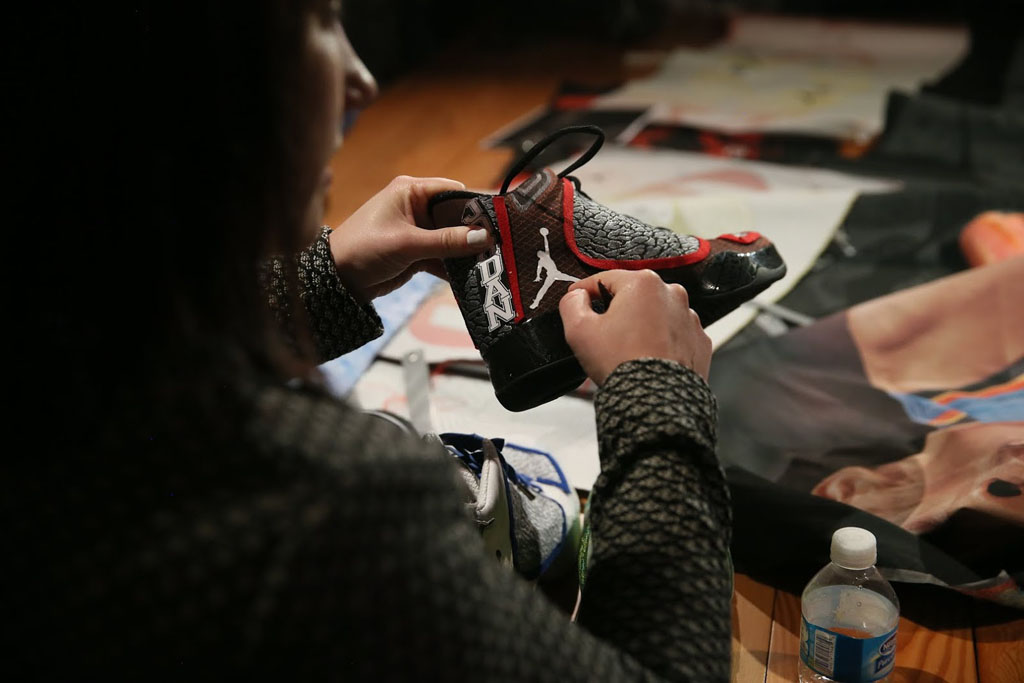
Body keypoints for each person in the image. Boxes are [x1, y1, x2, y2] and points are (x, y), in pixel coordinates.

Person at [16, 1, 732, 679]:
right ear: (196, 87)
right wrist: (658, 400)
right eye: (322, 21)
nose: (361, 78)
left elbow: (130, 354)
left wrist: (317, 282)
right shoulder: (322, 512)